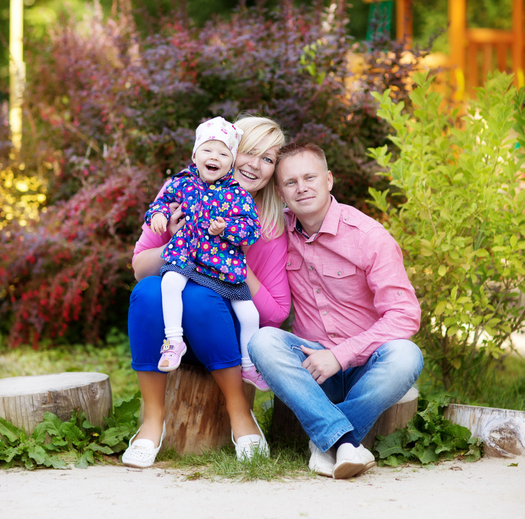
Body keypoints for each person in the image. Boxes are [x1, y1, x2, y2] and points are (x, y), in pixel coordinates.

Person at [248, 142, 424, 480]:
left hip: (366, 365)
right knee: (263, 341)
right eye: (290, 182)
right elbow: (229, 215)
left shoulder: (369, 237)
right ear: (280, 193)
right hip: (312, 367)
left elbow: (404, 314)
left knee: (406, 356)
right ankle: (344, 442)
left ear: (328, 180)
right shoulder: (275, 232)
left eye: (310, 177)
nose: (301, 188)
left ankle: (327, 440)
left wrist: (341, 355)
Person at [123, 115, 291, 468]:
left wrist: (232, 258)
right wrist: (178, 238)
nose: (254, 165)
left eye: (267, 159)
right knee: (149, 290)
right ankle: (153, 419)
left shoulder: (269, 225)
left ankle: (239, 411)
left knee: (201, 296)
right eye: (249, 151)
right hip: (171, 336)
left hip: (226, 334)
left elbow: (276, 313)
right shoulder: (181, 190)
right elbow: (139, 267)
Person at [144, 116, 266, 389]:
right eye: (207, 150)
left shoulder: (238, 194)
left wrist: (226, 229)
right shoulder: (182, 183)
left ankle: (249, 366)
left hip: (224, 263)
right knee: (170, 281)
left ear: (231, 163)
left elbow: (251, 230)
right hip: (187, 254)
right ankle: (174, 341)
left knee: (250, 315)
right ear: (194, 155)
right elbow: (160, 203)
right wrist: (159, 215)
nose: (214, 157)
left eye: (223, 154)